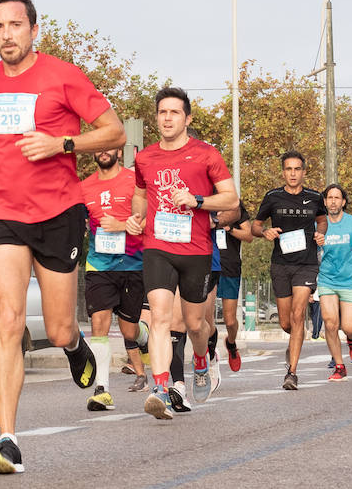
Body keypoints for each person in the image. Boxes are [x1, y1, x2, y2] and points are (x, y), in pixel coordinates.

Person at [0, 0, 125, 476]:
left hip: (58, 213)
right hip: (2, 213)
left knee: (59, 326)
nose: (7, 35)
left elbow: (114, 131)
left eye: (15, 26)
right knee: (11, 322)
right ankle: (7, 440)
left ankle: (74, 346)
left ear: (33, 30)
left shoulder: (62, 75)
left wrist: (63, 142)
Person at [127, 87, 237, 419]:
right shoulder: (145, 157)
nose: (167, 118)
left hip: (197, 249)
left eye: (174, 112)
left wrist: (198, 201)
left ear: (187, 118)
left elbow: (231, 199)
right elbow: (140, 195)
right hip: (158, 247)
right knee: (160, 317)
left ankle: (202, 359)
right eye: (162, 112)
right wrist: (136, 217)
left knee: (194, 324)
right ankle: (161, 386)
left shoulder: (206, 154)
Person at [80, 143, 147, 409]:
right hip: (99, 265)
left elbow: (147, 221)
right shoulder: (84, 187)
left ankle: (145, 337)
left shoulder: (134, 182)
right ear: (94, 153)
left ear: (119, 152)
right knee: (99, 324)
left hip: (132, 265)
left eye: (110, 148)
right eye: (99, 148)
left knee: (129, 330)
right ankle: (102, 389)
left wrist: (122, 225)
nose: (104, 152)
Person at [253, 151, 327, 390]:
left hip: (306, 264)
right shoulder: (272, 197)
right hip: (281, 264)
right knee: (286, 322)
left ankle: (292, 372)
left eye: (297, 169)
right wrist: (264, 232)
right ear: (283, 172)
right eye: (289, 169)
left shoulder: (315, 197)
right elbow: (256, 225)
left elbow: (322, 219)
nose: (293, 173)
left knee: (298, 316)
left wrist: (320, 232)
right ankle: (293, 342)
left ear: (304, 172)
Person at [315, 184, 352, 382]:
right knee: (330, 324)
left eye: (337, 198)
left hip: (350, 281)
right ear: (324, 202)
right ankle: (340, 366)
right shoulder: (318, 225)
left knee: (349, 327)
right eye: (329, 197)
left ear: (343, 202)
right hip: (326, 280)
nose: (333, 201)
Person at [206, 203, 254, 375]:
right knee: (205, 317)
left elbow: (249, 236)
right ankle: (207, 351)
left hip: (229, 267)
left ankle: (231, 344)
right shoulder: (202, 200)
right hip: (207, 265)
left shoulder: (234, 204)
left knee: (230, 320)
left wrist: (229, 229)